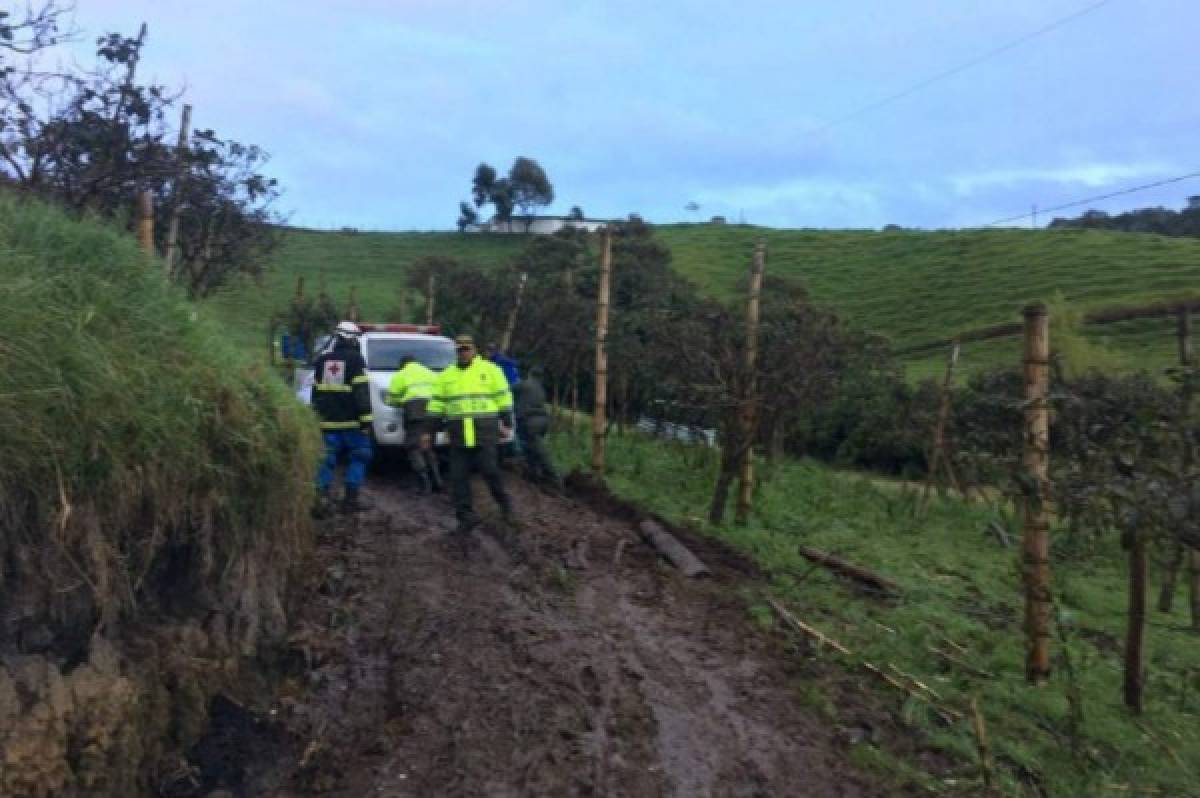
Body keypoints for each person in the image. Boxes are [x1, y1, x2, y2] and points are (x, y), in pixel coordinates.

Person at [429, 335, 515, 536]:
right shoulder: (446, 375)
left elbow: (503, 397)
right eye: (459, 349)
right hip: (459, 435)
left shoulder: (490, 370)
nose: (463, 352)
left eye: (466, 348)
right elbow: (437, 405)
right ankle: (465, 518)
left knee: (490, 471)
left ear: (474, 350)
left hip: (484, 431)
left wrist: (507, 422)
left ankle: (505, 505)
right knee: (458, 478)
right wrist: (429, 431)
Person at [311, 321, 374, 516]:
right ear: (351, 338)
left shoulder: (322, 360)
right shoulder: (356, 360)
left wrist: (316, 417)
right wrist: (366, 421)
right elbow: (361, 393)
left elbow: (315, 392)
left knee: (326, 460)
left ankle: (321, 500)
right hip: (352, 424)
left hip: (327, 423)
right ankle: (350, 500)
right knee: (360, 456)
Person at [386, 354, 442, 494]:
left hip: (415, 410)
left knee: (413, 447)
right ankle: (437, 482)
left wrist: (400, 403)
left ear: (403, 364)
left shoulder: (401, 374)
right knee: (428, 446)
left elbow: (391, 399)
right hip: (434, 411)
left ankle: (424, 484)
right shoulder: (430, 373)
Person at [513, 366, 562, 489]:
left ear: (530, 374)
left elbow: (507, 390)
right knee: (531, 447)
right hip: (543, 421)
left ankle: (553, 478)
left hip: (530, 421)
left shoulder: (524, 385)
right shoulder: (541, 389)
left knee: (538, 450)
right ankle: (533, 474)